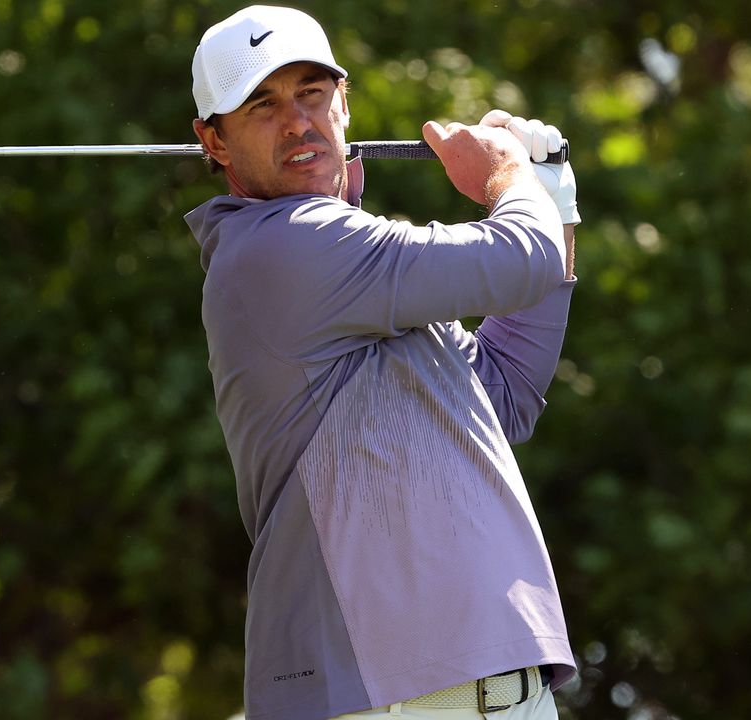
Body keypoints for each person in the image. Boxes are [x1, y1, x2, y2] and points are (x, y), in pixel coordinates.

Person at [184, 6, 581, 720]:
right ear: (214, 141)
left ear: (344, 101)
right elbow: (522, 256)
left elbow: (505, 392)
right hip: (399, 697)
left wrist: (554, 199)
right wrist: (510, 179)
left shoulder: (358, 273)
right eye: (262, 105)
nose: (297, 122)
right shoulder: (282, 249)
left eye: (311, 92)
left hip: (489, 691)